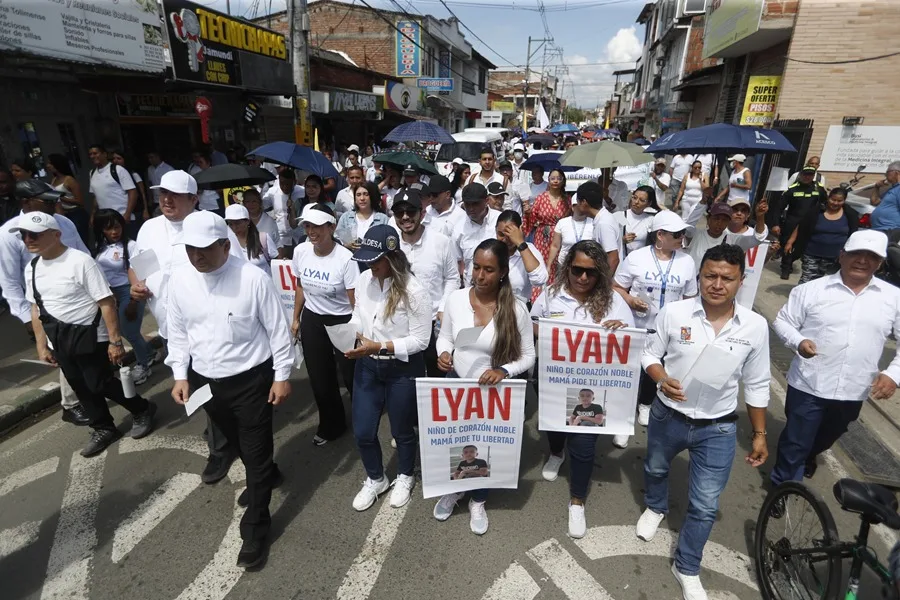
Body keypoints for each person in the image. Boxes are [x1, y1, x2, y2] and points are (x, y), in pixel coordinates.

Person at [637, 243, 770, 599]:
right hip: (668, 414)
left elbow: (757, 383)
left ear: (741, 281)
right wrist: (661, 378)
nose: (717, 284)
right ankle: (655, 506)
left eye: (727, 278)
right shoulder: (674, 312)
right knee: (656, 468)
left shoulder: (755, 327)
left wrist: (759, 433)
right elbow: (649, 354)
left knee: (706, 504)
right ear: (699, 277)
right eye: (710, 275)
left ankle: (687, 566)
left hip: (719, 427)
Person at [166, 211, 293, 569]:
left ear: (225, 245)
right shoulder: (180, 281)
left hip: (251, 380)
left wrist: (281, 375)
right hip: (207, 382)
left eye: (205, 249)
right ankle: (267, 473)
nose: (197, 257)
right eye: (191, 249)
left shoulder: (252, 279)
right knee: (235, 442)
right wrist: (180, 374)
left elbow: (277, 330)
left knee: (253, 452)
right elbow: (178, 333)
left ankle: (255, 529)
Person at [130, 170, 245, 485]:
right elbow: (139, 268)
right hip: (172, 330)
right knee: (199, 389)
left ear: (193, 199)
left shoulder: (212, 225)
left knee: (219, 388)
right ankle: (222, 430)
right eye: (162, 193)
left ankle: (222, 446)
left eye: (175, 195)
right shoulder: (150, 229)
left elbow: (239, 272)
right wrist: (136, 286)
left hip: (211, 329)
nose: (166, 200)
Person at [770, 230, 899, 491]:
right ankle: (782, 487)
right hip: (809, 383)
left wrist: (893, 375)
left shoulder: (893, 298)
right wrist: (798, 342)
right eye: (856, 254)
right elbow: (783, 321)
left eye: (871, 257)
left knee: (827, 437)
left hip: (854, 389)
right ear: (842, 256)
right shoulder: (811, 290)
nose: (863, 260)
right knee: (796, 441)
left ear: (881, 263)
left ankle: (809, 454)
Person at [23, 212, 156, 457]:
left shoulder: (80, 261)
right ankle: (103, 427)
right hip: (60, 337)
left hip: (90, 334)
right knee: (80, 386)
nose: (28, 239)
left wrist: (115, 341)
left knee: (99, 382)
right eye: (24, 235)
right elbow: (36, 307)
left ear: (56, 235)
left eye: (35, 234)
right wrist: (42, 346)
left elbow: (106, 301)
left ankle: (142, 408)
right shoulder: (32, 267)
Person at [533, 240, 634, 538]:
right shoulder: (551, 295)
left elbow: (631, 342)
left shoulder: (614, 301)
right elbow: (533, 324)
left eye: (591, 273)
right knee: (554, 425)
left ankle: (577, 500)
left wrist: (621, 328)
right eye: (577, 270)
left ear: (600, 274)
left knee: (585, 446)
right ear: (567, 268)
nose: (583, 278)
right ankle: (555, 452)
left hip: (593, 388)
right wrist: (549, 330)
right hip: (553, 379)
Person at [434, 239, 536, 535]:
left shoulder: (516, 309)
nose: (479, 276)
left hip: (494, 395)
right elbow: (446, 337)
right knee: (455, 442)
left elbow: (529, 356)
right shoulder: (455, 299)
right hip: (458, 386)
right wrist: (443, 353)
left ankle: (478, 499)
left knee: (485, 449)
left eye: (488, 270)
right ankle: (454, 490)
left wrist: (503, 371)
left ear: (503, 272)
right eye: (476, 267)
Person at [343, 225, 431, 511]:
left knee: (403, 430)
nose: (370, 265)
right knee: (363, 431)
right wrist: (350, 334)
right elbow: (358, 313)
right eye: (367, 259)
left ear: (392, 258)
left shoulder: (414, 290)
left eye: (376, 260)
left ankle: (405, 475)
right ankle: (376, 478)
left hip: (402, 369)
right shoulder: (365, 280)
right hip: (367, 365)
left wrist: (379, 346)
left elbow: (421, 340)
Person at [1, 180, 93, 426]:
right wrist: (26, 318)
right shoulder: (9, 235)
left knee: (82, 351)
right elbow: (9, 282)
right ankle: (71, 404)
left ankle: (84, 396)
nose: (54, 204)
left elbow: (83, 254)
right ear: (25, 203)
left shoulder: (64, 223)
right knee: (65, 354)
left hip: (80, 299)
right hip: (46, 306)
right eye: (47, 201)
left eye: (54, 200)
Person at [613, 211, 698, 448]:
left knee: (657, 370)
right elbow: (617, 286)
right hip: (637, 327)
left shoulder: (686, 261)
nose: (682, 238)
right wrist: (630, 301)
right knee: (629, 374)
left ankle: (645, 405)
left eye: (683, 233)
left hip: (668, 332)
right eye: (677, 234)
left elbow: (691, 296)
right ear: (660, 235)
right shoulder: (636, 257)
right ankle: (624, 419)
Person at [291, 204, 359, 445]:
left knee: (352, 377)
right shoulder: (300, 251)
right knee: (320, 377)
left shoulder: (346, 259)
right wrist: (296, 318)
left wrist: (358, 329)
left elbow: (354, 301)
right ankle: (331, 424)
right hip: (313, 318)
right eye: (307, 225)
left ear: (331, 227)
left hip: (342, 320)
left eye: (317, 225)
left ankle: (363, 420)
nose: (311, 231)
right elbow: (300, 285)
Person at [392, 188, 458, 376]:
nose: (405, 217)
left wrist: (443, 308)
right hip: (401, 325)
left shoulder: (441, 242)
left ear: (422, 213)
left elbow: (452, 278)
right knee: (405, 380)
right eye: (399, 213)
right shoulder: (392, 244)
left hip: (433, 324)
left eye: (410, 212)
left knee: (435, 379)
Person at [92, 209, 155, 385]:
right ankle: (149, 352)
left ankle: (144, 364)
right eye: (108, 228)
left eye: (117, 227)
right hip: (109, 294)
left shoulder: (132, 245)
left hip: (129, 291)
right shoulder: (99, 246)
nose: (114, 232)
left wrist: (134, 301)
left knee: (130, 332)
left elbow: (142, 274)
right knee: (120, 330)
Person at [785, 187, 859, 285]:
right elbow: (801, 226)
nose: (835, 203)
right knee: (807, 279)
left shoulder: (850, 214)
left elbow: (854, 234)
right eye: (833, 199)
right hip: (811, 253)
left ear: (844, 201)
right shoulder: (816, 211)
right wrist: (790, 242)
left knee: (820, 281)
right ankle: (801, 297)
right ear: (828, 198)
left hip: (834, 256)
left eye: (839, 201)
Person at [773, 165, 827, 279]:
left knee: (801, 248)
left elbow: (826, 203)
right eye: (805, 174)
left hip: (810, 223)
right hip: (792, 222)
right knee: (788, 246)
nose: (807, 177)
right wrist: (776, 224)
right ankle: (785, 268)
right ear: (801, 175)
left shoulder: (818, 188)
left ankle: (791, 260)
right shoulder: (793, 189)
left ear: (813, 176)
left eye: (810, 175)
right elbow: (779, 207)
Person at [525, 168, 572, 289]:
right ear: (548, 180)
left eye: (559, 178)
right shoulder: (541, 198)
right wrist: (527, 213)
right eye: (552, 178)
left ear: (563, 181)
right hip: (543, 238)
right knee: (541, 265)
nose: (555, 181)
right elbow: (531, 219)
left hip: (561, 238)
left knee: (559, 266)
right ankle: (538, 296)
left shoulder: (567, 200)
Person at [684, 202, 768, 266]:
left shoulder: (734, 240)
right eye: (716, 218)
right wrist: (703, 201)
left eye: (724, 220)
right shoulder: (696, 234)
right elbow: (688, 226)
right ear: (708, 218)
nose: (719, 223)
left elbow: (758, 239)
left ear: (728, 222)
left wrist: (760, 217)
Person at [449, 183, 501, 285]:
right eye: (467, 204)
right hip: (472, 288)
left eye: (475, 203)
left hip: (499, 287)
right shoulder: (458, 229)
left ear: (486, 201)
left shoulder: (500, 221)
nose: (471, 208)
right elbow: (457, 262)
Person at [495, 210, 548, 304]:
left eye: (510, 235)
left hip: (518, 309)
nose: (505, 240)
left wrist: (520, 244)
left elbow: (539, 280)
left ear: (520, 230)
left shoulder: (529, 250)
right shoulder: (491, 250)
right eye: (501, 234)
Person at [575, 181, 623, 273]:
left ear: (584, 202)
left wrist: (603, 284)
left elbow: (613, 258)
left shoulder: (604, 223)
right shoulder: (602, 219)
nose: (577, 205)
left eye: (578, 202)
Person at [88, 144, 137, 225]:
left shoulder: (118, 170)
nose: (92, 156)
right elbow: (96, 196)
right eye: (90, 154)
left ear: (104, 154)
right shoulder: (92, 173)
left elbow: (132, 192)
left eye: (95, 153)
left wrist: (127, 214)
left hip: (122, 217)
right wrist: (93, 215)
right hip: (105, 219)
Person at [46, 153, 89, 245]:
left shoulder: (69, 180)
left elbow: (80, 202)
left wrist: (61, 198)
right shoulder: (54, 180)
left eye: (50, 163)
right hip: (64, 214)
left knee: (81, 241)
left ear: (57, 164)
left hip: (76, 214)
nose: (48, 166)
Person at [225, 203, 278, 275]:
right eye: (230, 224)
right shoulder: (227, 243)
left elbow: (277, 263)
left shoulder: (263, 239)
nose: (234, 227)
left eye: (237, 223)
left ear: (247, 221)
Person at [335, 181, 390, 250]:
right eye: (358, 195)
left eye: (366, 194)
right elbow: (337, 238)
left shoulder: (383, 219)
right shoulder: (346, 217)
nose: (362, 198)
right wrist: (345, 244)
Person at [549, 194, 595, 270]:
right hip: (564, 265)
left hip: (585, 266)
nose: (581, 208)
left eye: (584, 205)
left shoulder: (593, 223)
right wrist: (549, 265)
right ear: (573, 207)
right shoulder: (562, 223)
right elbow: (555, 246)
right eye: (578, 205)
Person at [263, 169, 305, 249]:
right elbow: (261, 206)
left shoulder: (302, 192)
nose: (284, 187)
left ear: (295, 182)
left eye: (288, 184)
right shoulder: (272, 192)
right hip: (281, 237)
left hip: (299, 235)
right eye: (281, 183)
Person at [240, 188, 283, 258]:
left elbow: (278, 244)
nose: (251, 204)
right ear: (244, 203)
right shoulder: (240, 222)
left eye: (254, 201)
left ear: (260, 202)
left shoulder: (270, 221)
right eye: (248, 201)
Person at [111, 150, 151, 226]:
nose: (115, 161)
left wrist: (145, 210)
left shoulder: (134, 175)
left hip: (137, 210)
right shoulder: (114, 175)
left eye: (119, 158)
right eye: (114, 158)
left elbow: (142, 193)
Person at [619, 186, 661, 256]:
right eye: (634, 198)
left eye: (642, 200)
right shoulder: (620, 216)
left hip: (641, 260)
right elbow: (608, 241)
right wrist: (621, 240)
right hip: (622, 259)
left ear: (649, 203)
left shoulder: (650, 219)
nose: (636, 202)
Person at [870, 161, 900, 232]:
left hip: (891, 229)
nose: (885, 175)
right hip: (881, 229)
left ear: (896, 173)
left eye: (887, 172)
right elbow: (874, 201)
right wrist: (877, 187)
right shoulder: (892, 189)